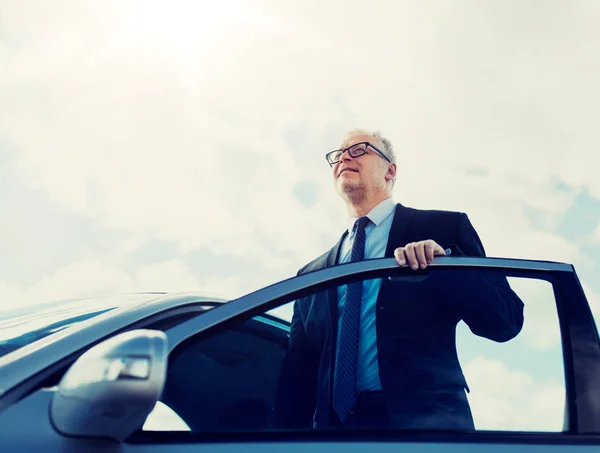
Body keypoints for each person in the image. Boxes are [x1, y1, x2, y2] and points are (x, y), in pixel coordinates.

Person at [271, 129, 525, 431]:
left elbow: (505, 322)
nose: (344, 158)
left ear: (390, 170)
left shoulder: (444, 228)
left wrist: (449, 264)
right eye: (338, 155)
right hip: (337, 435)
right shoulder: (311, 275)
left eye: (359, 150)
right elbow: (297, 377)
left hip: (427, 428)